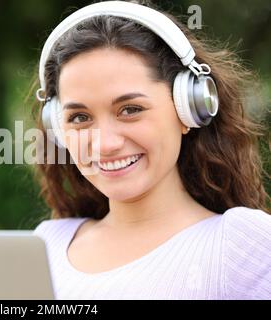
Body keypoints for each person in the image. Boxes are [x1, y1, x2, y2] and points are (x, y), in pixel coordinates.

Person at [30, 1, 271, 299]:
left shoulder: (241, 245)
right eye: (80, 118)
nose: (105, 144)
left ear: (188, 110)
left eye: (130, 109)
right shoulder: (46, 245)